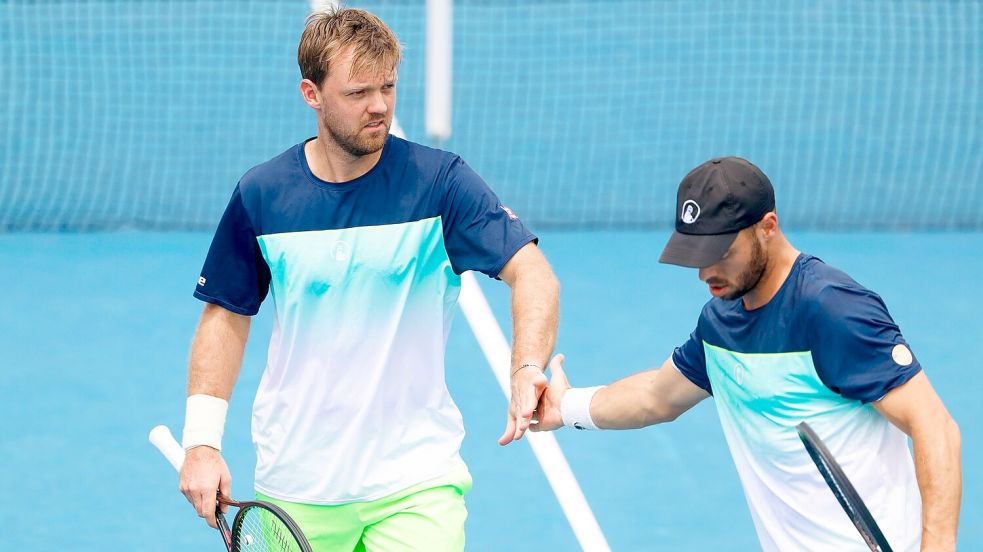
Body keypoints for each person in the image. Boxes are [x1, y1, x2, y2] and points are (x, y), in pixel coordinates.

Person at [178, 8, 558, 551]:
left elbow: (532, 272)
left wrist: (526, 365)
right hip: (298, 483)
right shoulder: (263, 194)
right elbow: (226, 315)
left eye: (388, 86)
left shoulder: (440, 183)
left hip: (415, 479)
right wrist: (201, 442)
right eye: (358, 92)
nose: (379, 105)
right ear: (312, 94)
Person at [531, 157, 962, 551]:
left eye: (719, 253)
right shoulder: (720, 323)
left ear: (767, 227)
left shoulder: (832, 309)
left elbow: (934, 427)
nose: (704, 273)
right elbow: (655, 396)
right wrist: (567, 407)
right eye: (695, 254)